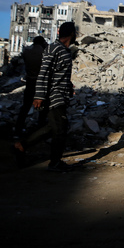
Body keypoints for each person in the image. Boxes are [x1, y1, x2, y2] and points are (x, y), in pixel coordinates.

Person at [31, 22, 77, 172]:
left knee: (54, 127)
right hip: (53, 95)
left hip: (61, 94)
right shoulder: (53, 48)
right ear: (71, 34)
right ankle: (55, 163)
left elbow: (62, 74)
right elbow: (44, 72)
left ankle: (22, 145)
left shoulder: (65, 51)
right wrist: (39, 95)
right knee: (60, 130)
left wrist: (69, 87)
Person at [14, 36, 48, 142]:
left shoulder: (27, 52)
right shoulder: (44, 53)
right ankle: (40, 127)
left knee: (26, 106)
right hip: (41, 83)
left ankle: (18, 128)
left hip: (30, 82)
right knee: (42, 107)